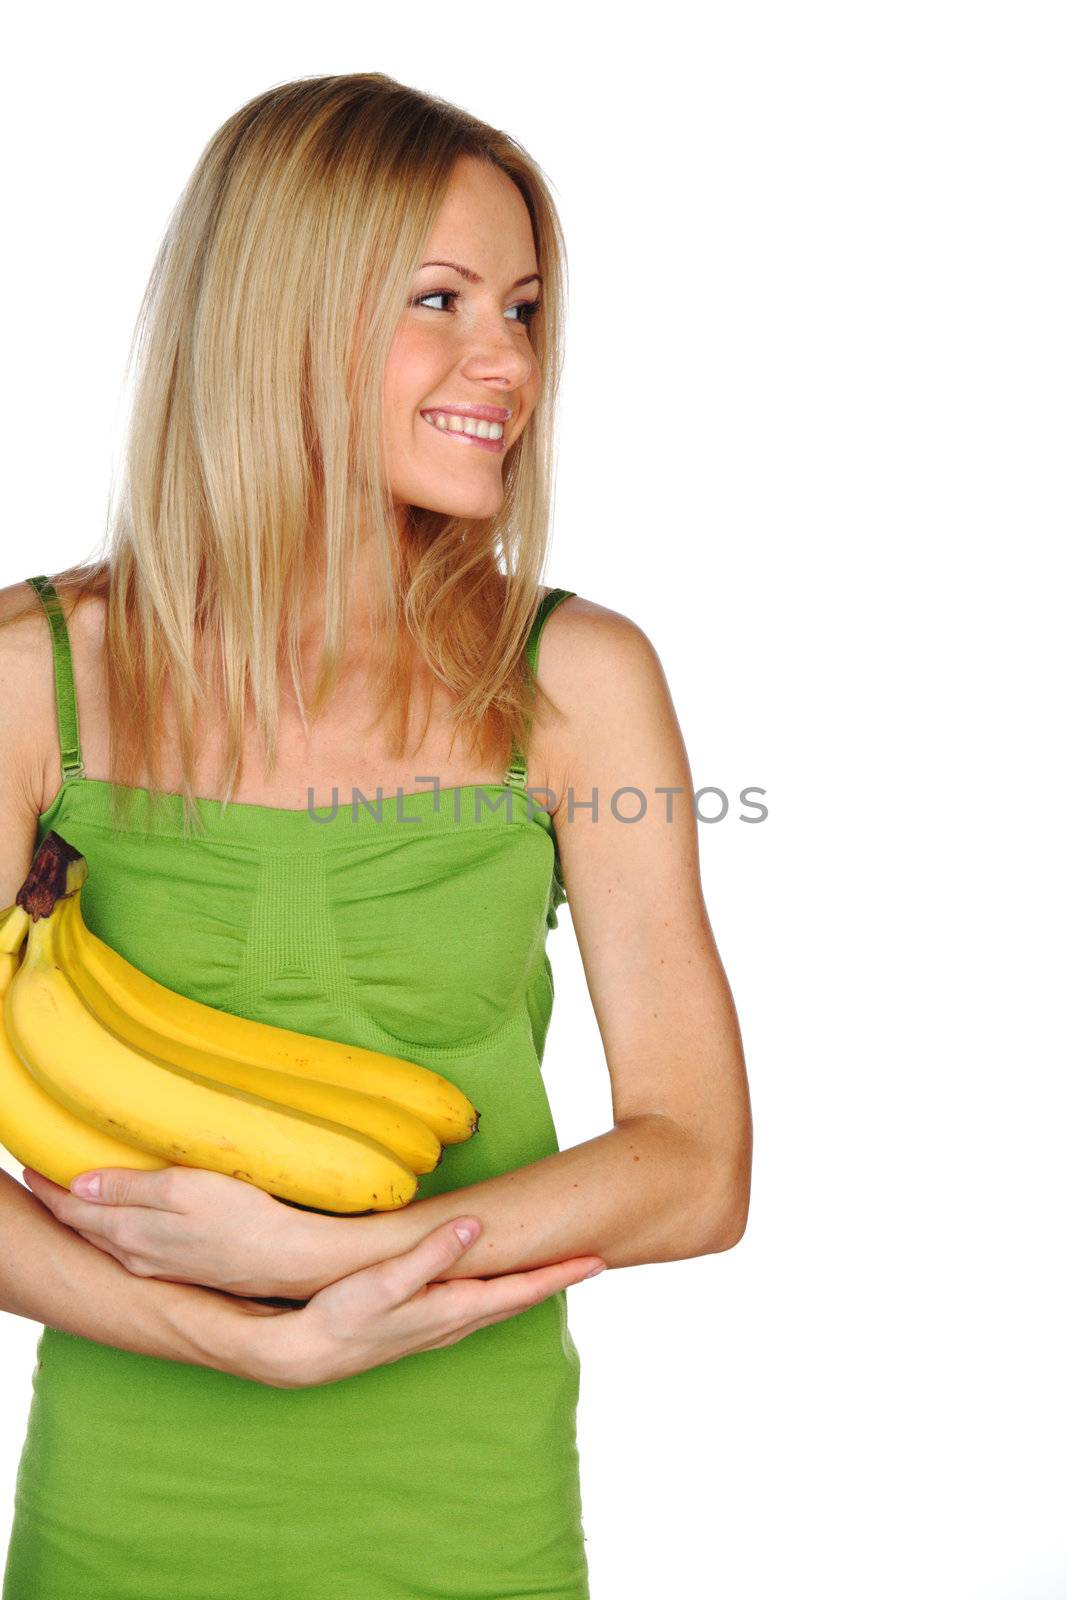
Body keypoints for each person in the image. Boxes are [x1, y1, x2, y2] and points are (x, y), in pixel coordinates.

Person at [0, 72, 752, 1599]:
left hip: (468, 1511)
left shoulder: (575, 684)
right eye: (443, 300)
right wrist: (239, 1339)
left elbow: (696, 1165)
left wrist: (324, 1265)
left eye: (525, 311)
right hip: (122, 1509)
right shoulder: (34, 680)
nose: (509, 365)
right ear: (283, 314)